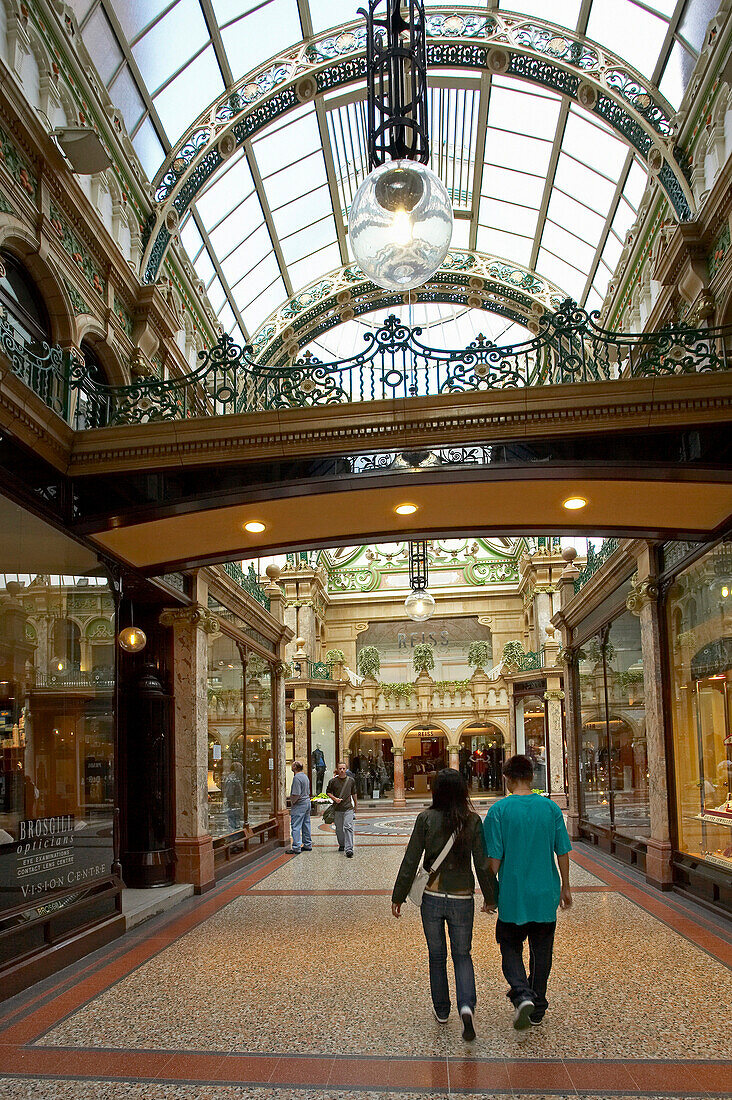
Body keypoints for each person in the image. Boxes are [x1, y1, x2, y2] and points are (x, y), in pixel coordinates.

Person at [391, 768, 496, 1042]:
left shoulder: (425, 818)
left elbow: (411, 859)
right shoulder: (472, 821)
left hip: (432, 898)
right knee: (463, 955)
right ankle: (466, 1006)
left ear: (436, 790)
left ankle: (441, 1009)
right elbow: (483, 864)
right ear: (463, 791)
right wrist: (492, 897)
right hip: (462, 896)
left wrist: (398, 896)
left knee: (436, 955)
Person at [482, 754, 573, 1030]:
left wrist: (489, 893)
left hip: (513, 894)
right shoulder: (550, 808)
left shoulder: (499, 811)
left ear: (507, 779)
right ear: (532, 777)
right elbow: (563, 851)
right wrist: (565, 887)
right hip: (545, 891)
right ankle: (539, 1005)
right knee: (542, 950)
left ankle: (522, 993)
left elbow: (494, 860)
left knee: (510, 945)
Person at [326, 761, 357, 857]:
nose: (342, 770)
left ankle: (349, 849)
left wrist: (356, 804)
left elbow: (354, 793)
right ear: (337, 770)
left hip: (348, 808)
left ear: (346, 769)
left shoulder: (351, 780)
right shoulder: (333, 781)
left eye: (344, 768)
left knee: (348, 827)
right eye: (340, 769)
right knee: (339, 829)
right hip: (337, 809)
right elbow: (328, 792)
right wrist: (335, 799)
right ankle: (342, 844)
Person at [286, 760, 312, 855]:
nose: (291, 767)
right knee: (306, 824)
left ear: (295, 768)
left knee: (296, 825)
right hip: (307, 802)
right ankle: (307, 844)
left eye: (292, 766)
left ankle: (296, 847)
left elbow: (296, 793)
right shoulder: (305, 776)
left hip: (300, 803)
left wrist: (292, 801)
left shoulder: (297, 778)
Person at [223, 762, 244, 830]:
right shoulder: (231, 779)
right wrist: (234, 803)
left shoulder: (236, 778)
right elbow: (230, 793)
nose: (241, 769)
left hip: (236, 804)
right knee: (233, 822)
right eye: (240, 768)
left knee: (236, 820)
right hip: (233, 805)